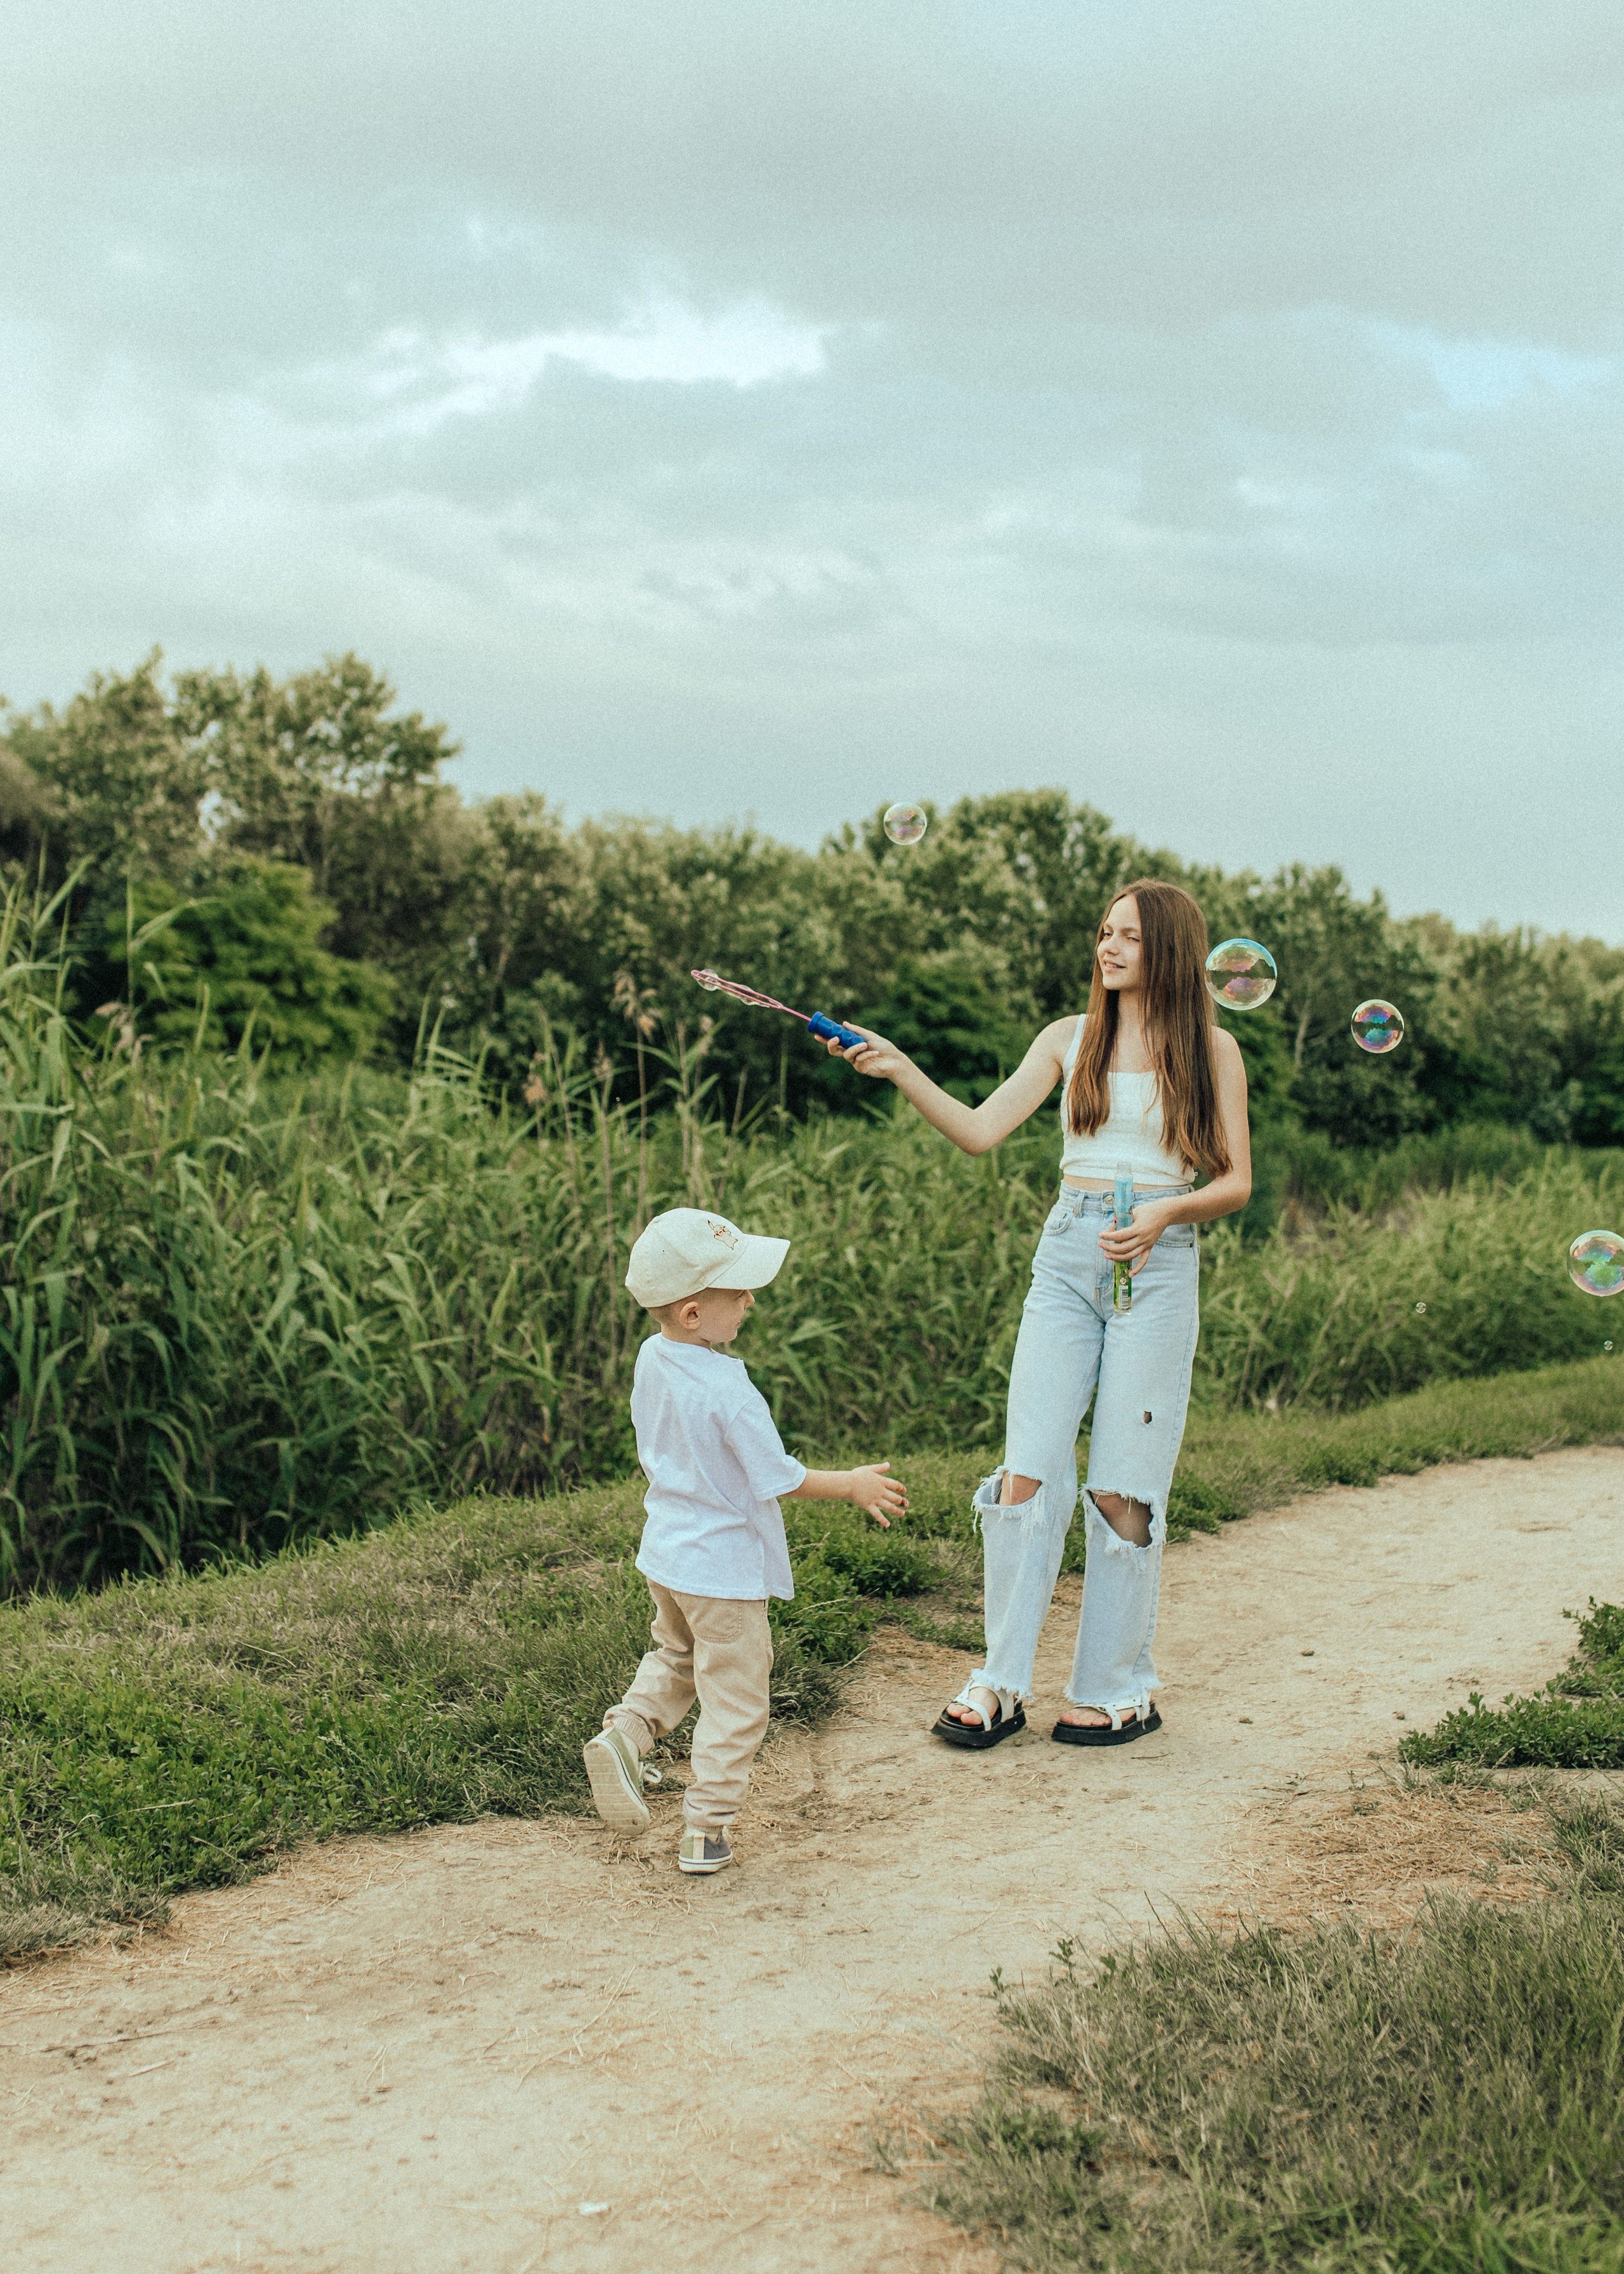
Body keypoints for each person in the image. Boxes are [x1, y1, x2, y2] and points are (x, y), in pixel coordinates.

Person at [825, 878, 1251, 1751]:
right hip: (1066, 1258)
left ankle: (1114, 1687)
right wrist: (900, 1067)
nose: (1108, 946)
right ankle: (1000, 1680)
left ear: (1168, 948)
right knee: (1026, 1469)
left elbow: (1236, 1181)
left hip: (1157, 1263)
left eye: (1129, 935)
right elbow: (979, 1130)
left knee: (1122, 1483)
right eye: (1104, 931)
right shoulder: (1069, 1038)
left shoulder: (1213, 1049)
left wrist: (1165, 1213)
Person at [582, 1206, 907, 1873]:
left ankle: (627, 1734)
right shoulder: (729, 1388)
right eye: (738, 1291)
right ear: (693, 1313)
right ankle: (706, 1828)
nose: (751, 1300)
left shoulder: (652, 1357)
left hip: (668, 1555)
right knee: (736, 1700)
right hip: (723, 1572)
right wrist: (851, 1484)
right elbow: (779, 1478)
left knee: (676, 1656)